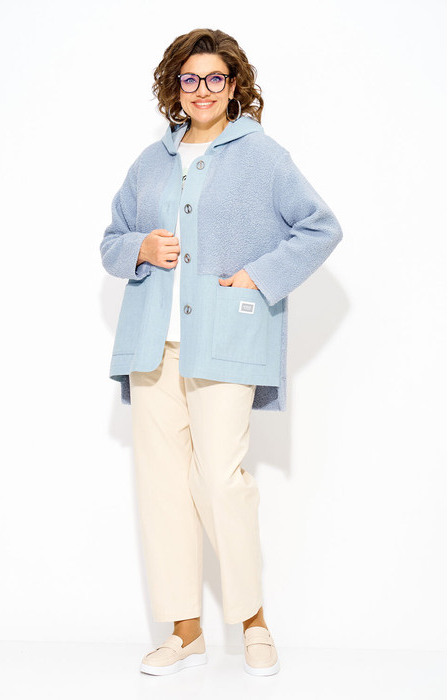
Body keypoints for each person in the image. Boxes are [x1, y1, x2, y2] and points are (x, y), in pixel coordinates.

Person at [100, 27, 343, 677]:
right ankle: (184, 632)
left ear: (234, 85)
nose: (201, 90)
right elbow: (112, 239)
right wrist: (139, 248)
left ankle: (252, 622)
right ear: (174, 86)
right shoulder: (150, 162)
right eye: (190, 78)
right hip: (153, 345)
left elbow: (319, 227)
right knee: (161, 488)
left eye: (214, 78)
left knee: (219, 481)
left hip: (225, 339)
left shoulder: (262, 156)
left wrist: (258, 276)